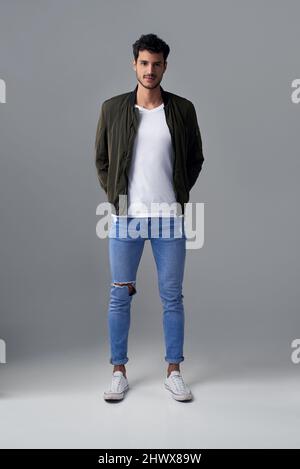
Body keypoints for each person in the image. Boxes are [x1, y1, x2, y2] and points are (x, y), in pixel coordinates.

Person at [95, 33, 204, 401]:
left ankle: (174, 370)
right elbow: (102, 160)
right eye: (144, 63)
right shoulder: (113, 108)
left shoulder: (183, 110)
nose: (150, 70)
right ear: (134, 64)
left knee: (172, 297)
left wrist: (178, 193)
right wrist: (114, 196)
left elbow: (195, 159)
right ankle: (118, 371)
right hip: (127, 218)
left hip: (169, 219)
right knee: (119, 294)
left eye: (157, 64)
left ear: (165, 66)